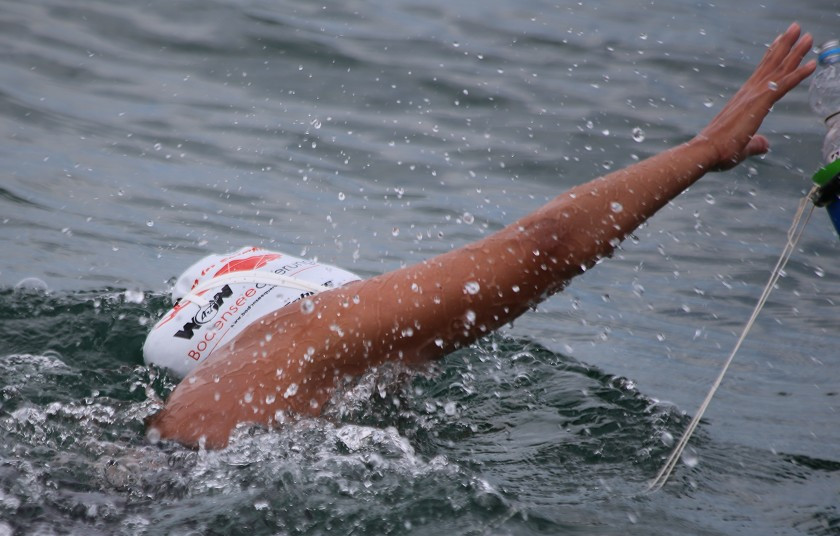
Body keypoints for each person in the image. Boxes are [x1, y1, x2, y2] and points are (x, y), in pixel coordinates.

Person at [146, 24, 817, 450]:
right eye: (388, 348)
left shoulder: (197, 414)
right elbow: (542, 247)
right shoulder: (289, 343)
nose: (408, 360)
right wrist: (703, 149)